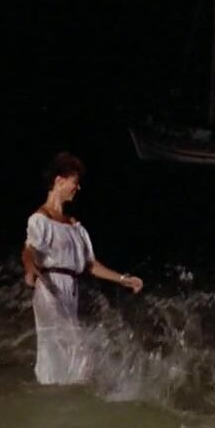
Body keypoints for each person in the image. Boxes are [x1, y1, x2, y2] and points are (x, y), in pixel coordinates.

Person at [21, 151, 143, 384]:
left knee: (70, 352)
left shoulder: (75, 225)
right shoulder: (40, 219)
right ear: (59, 181)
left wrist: (123, 279)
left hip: (70, 291)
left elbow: (90, 265)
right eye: (75, 182)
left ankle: (59, 394)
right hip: (50, 287)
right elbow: (29, 250)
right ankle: (60, 391)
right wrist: (29, 268)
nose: (78, 188)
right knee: (75, 350)